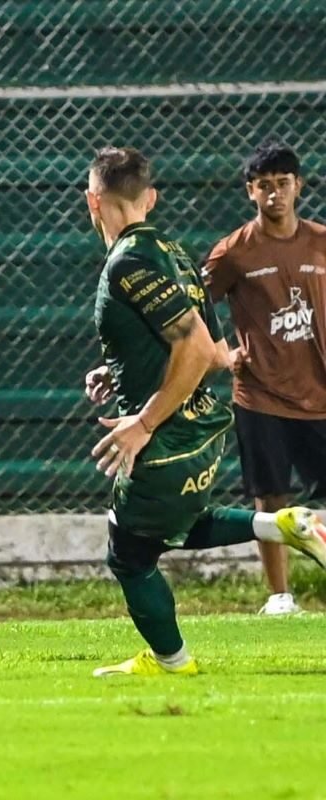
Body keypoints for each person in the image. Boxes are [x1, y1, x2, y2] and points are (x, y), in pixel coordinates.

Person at [82, 146, 326, 677]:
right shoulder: (174, 251)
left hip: (165, 437)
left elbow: (195, 348)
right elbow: (217, 351)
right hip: (201, 429)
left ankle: (172, 662)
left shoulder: (129, 260)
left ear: (92, 202)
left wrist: (142, 422)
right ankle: (284, 523)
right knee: (174, 524)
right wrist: (119, 367)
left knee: (129, 555)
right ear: (150, 197)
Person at [202, 140, 326, 616]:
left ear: (299, 187)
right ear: (250, 192)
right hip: (262, 394)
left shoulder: (319, 241)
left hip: (319, 391)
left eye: (283, 184)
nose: (275, 194)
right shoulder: (234, 251)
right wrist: (222, 353)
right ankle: (280, 595)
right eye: (264, 186)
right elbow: (193, 305)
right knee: (270, 496)